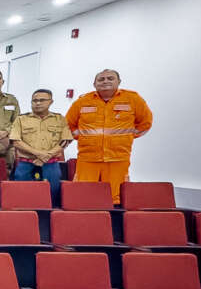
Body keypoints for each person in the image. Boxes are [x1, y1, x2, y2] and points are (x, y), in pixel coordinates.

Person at [65, 69, 153, 204]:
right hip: (88, 157)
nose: (105, 81)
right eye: (101, 79)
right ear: (94, 84)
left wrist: (126, 138)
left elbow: (145, 123)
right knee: (83, 195)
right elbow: (68, 125)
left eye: (110, 78)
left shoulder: (133, 100)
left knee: (115, 198)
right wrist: (84, 138)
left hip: (118, 157)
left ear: (119, 82)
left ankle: (112, 216)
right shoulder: (82, 102)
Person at [11, 89, 74, 205]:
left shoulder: (59, 119)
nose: (38, 103)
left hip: (51, 164)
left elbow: (65, 140)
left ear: (51, 102)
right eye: (34, 100)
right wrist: (39, 154)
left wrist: (47, 155)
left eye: (42, 100)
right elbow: (16, 141)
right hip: (26, 164)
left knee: (51, 197)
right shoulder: (21, 119)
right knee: (22, 197)